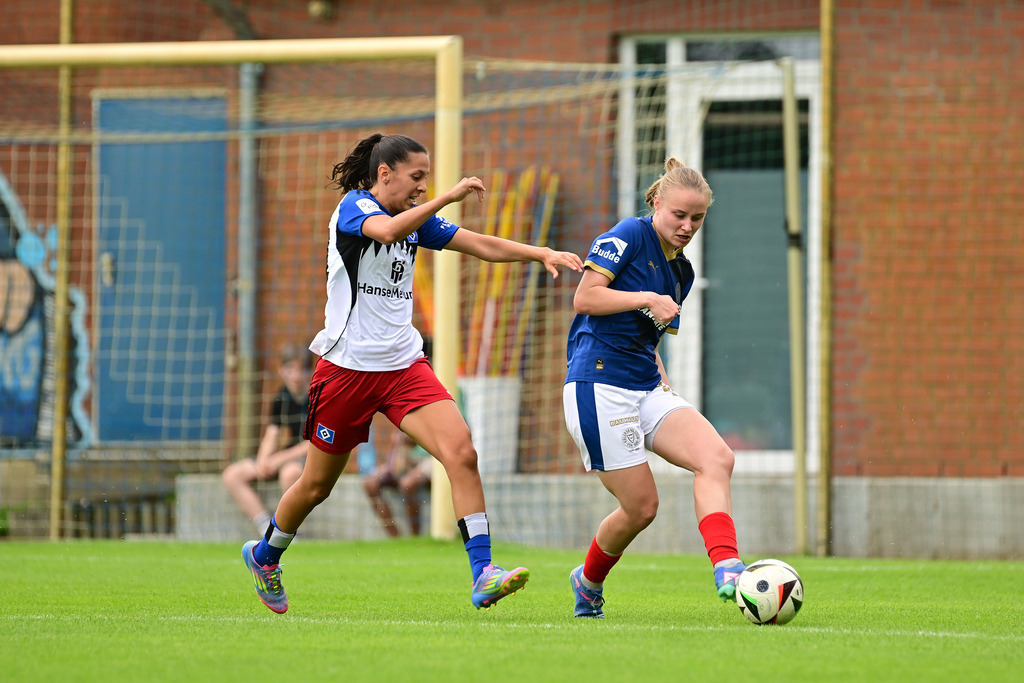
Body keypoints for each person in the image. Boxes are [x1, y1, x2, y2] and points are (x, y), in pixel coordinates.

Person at [241, 132, 584, 614]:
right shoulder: (354, 210)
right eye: (417, 177)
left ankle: (484, 572)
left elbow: (479, 244)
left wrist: (540, 253)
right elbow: (386, 232)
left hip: (403, 366)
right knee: (317, 485)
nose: (424, 187)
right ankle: (265, 555)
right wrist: (449, 196)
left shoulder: (415, 223)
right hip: (346, 371)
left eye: (428, 179)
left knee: (461, 451)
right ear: (385, 174)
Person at [562, 157, 745, 619]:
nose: (687, 226)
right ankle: (588, 582)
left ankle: (728, 567)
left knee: (717, 458)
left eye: (697, 218)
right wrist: (645, 296)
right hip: (598, 384)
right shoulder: (628, 233)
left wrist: (660, 368)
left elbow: (646, 334)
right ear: (657, 203)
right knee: (641, 508)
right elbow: (585, 298)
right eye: (679, 215)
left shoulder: (680, 272)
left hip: (645, 383)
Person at [222, 345, 312, 535]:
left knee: (290, 474)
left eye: (301, 370)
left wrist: (278, 459)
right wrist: (263, 460)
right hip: (283, 454)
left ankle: (289, 530)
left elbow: (311, 443)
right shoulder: (281, 398)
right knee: (232, 474)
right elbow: (272, 434)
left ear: (309, 372)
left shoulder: (315, 397)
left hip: (304, 458)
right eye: (290, 370)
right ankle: (264, 524)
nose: (295, 376)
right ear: (282, 371)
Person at [363, 419, 432, 537]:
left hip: (429, 456)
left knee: (407, 484)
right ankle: (395, 537)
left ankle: (415, 537)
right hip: (404, 454)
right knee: (370, 483)